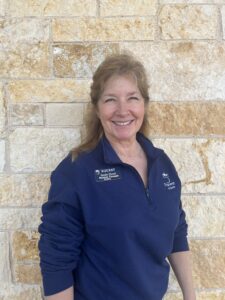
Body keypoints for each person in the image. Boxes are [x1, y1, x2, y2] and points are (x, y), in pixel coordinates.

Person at [38, 53, 196, 300]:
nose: (123, 111)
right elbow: (57, 261)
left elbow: (177, 230)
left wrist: (191, 295)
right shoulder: (76, 171)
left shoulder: (162, 164)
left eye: (132, 98)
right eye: (111, 100)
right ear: (97, 109)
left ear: (144, 104)